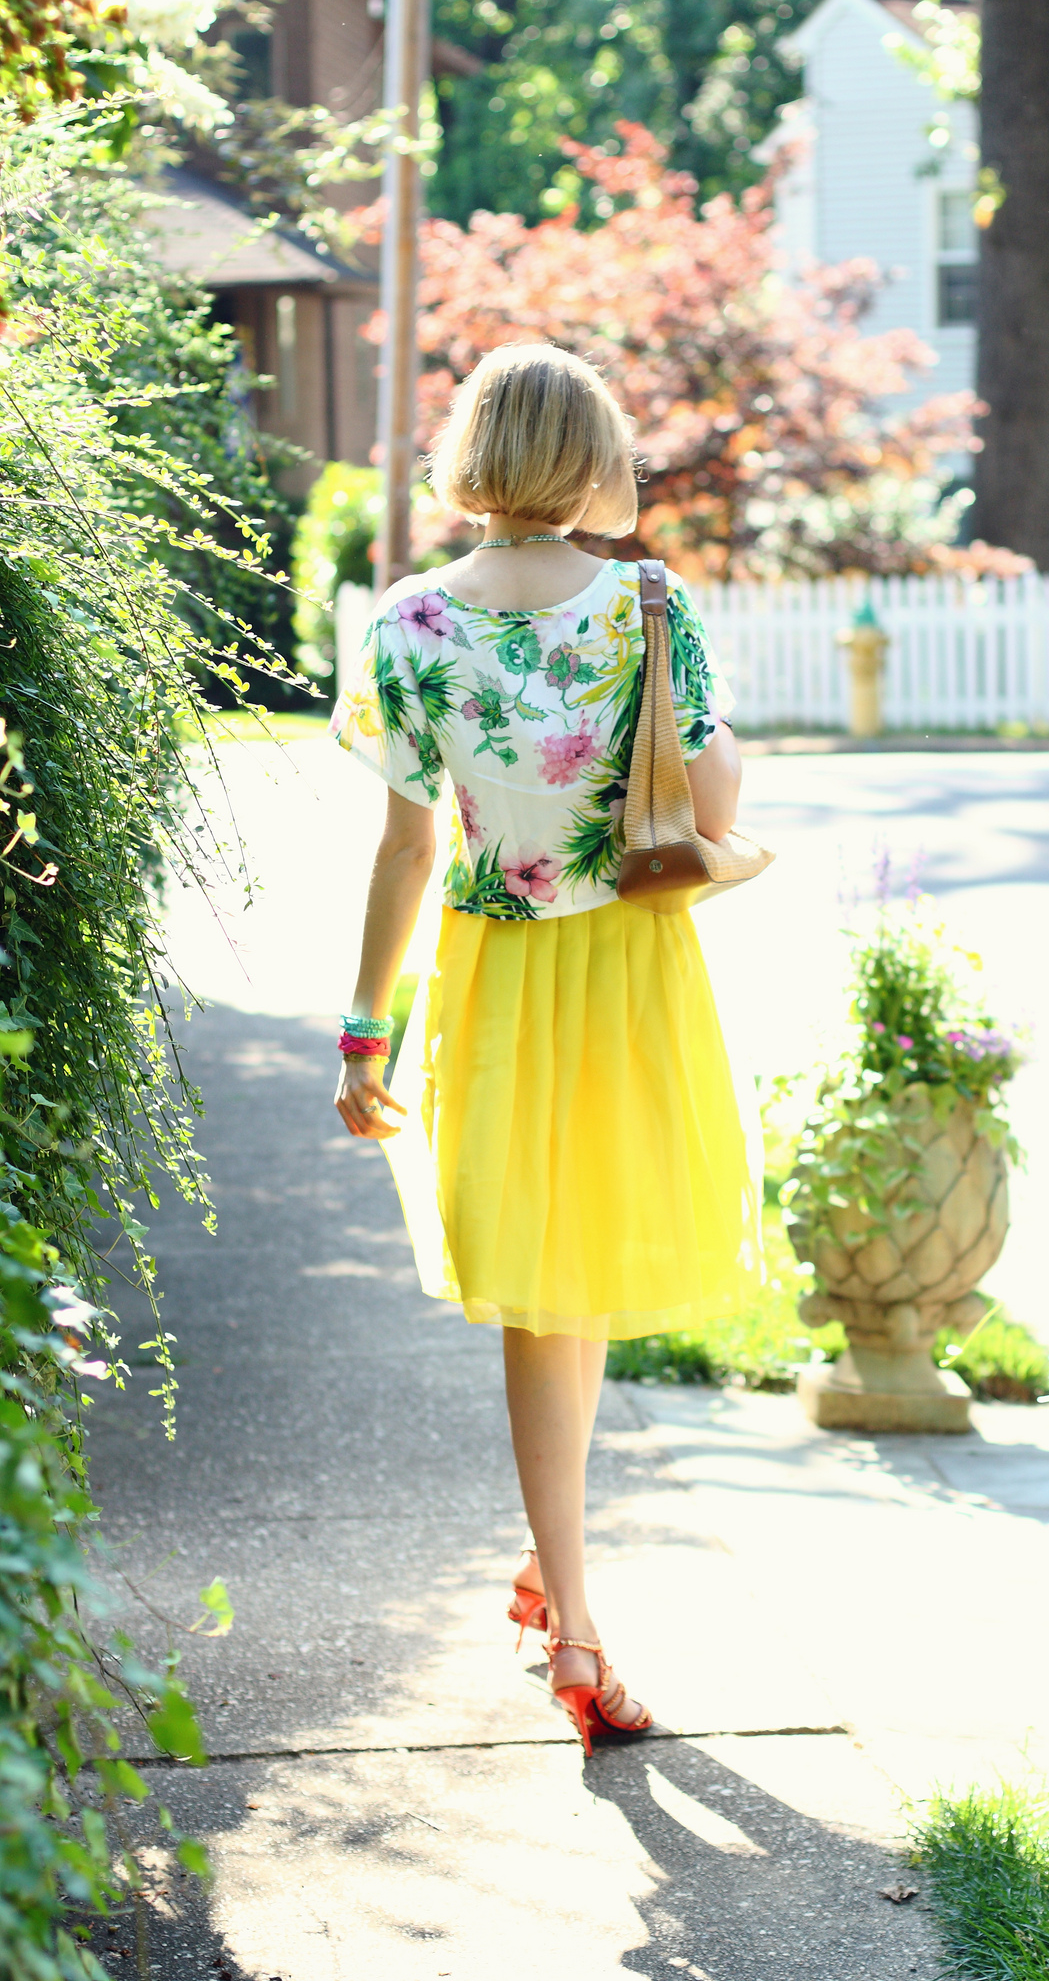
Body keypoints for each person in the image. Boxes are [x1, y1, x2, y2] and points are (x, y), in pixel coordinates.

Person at [329, 343, 762, 1755]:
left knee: (547, 1288)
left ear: (473, 450)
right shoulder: (648, 602)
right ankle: (572, 1618)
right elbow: (707, 791)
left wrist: (363, 1033)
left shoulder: (406, 623)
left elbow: (403, 847)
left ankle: (554, 1577)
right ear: (586, 457)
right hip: (630, 964)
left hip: (498, 969)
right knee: (568, 1280)